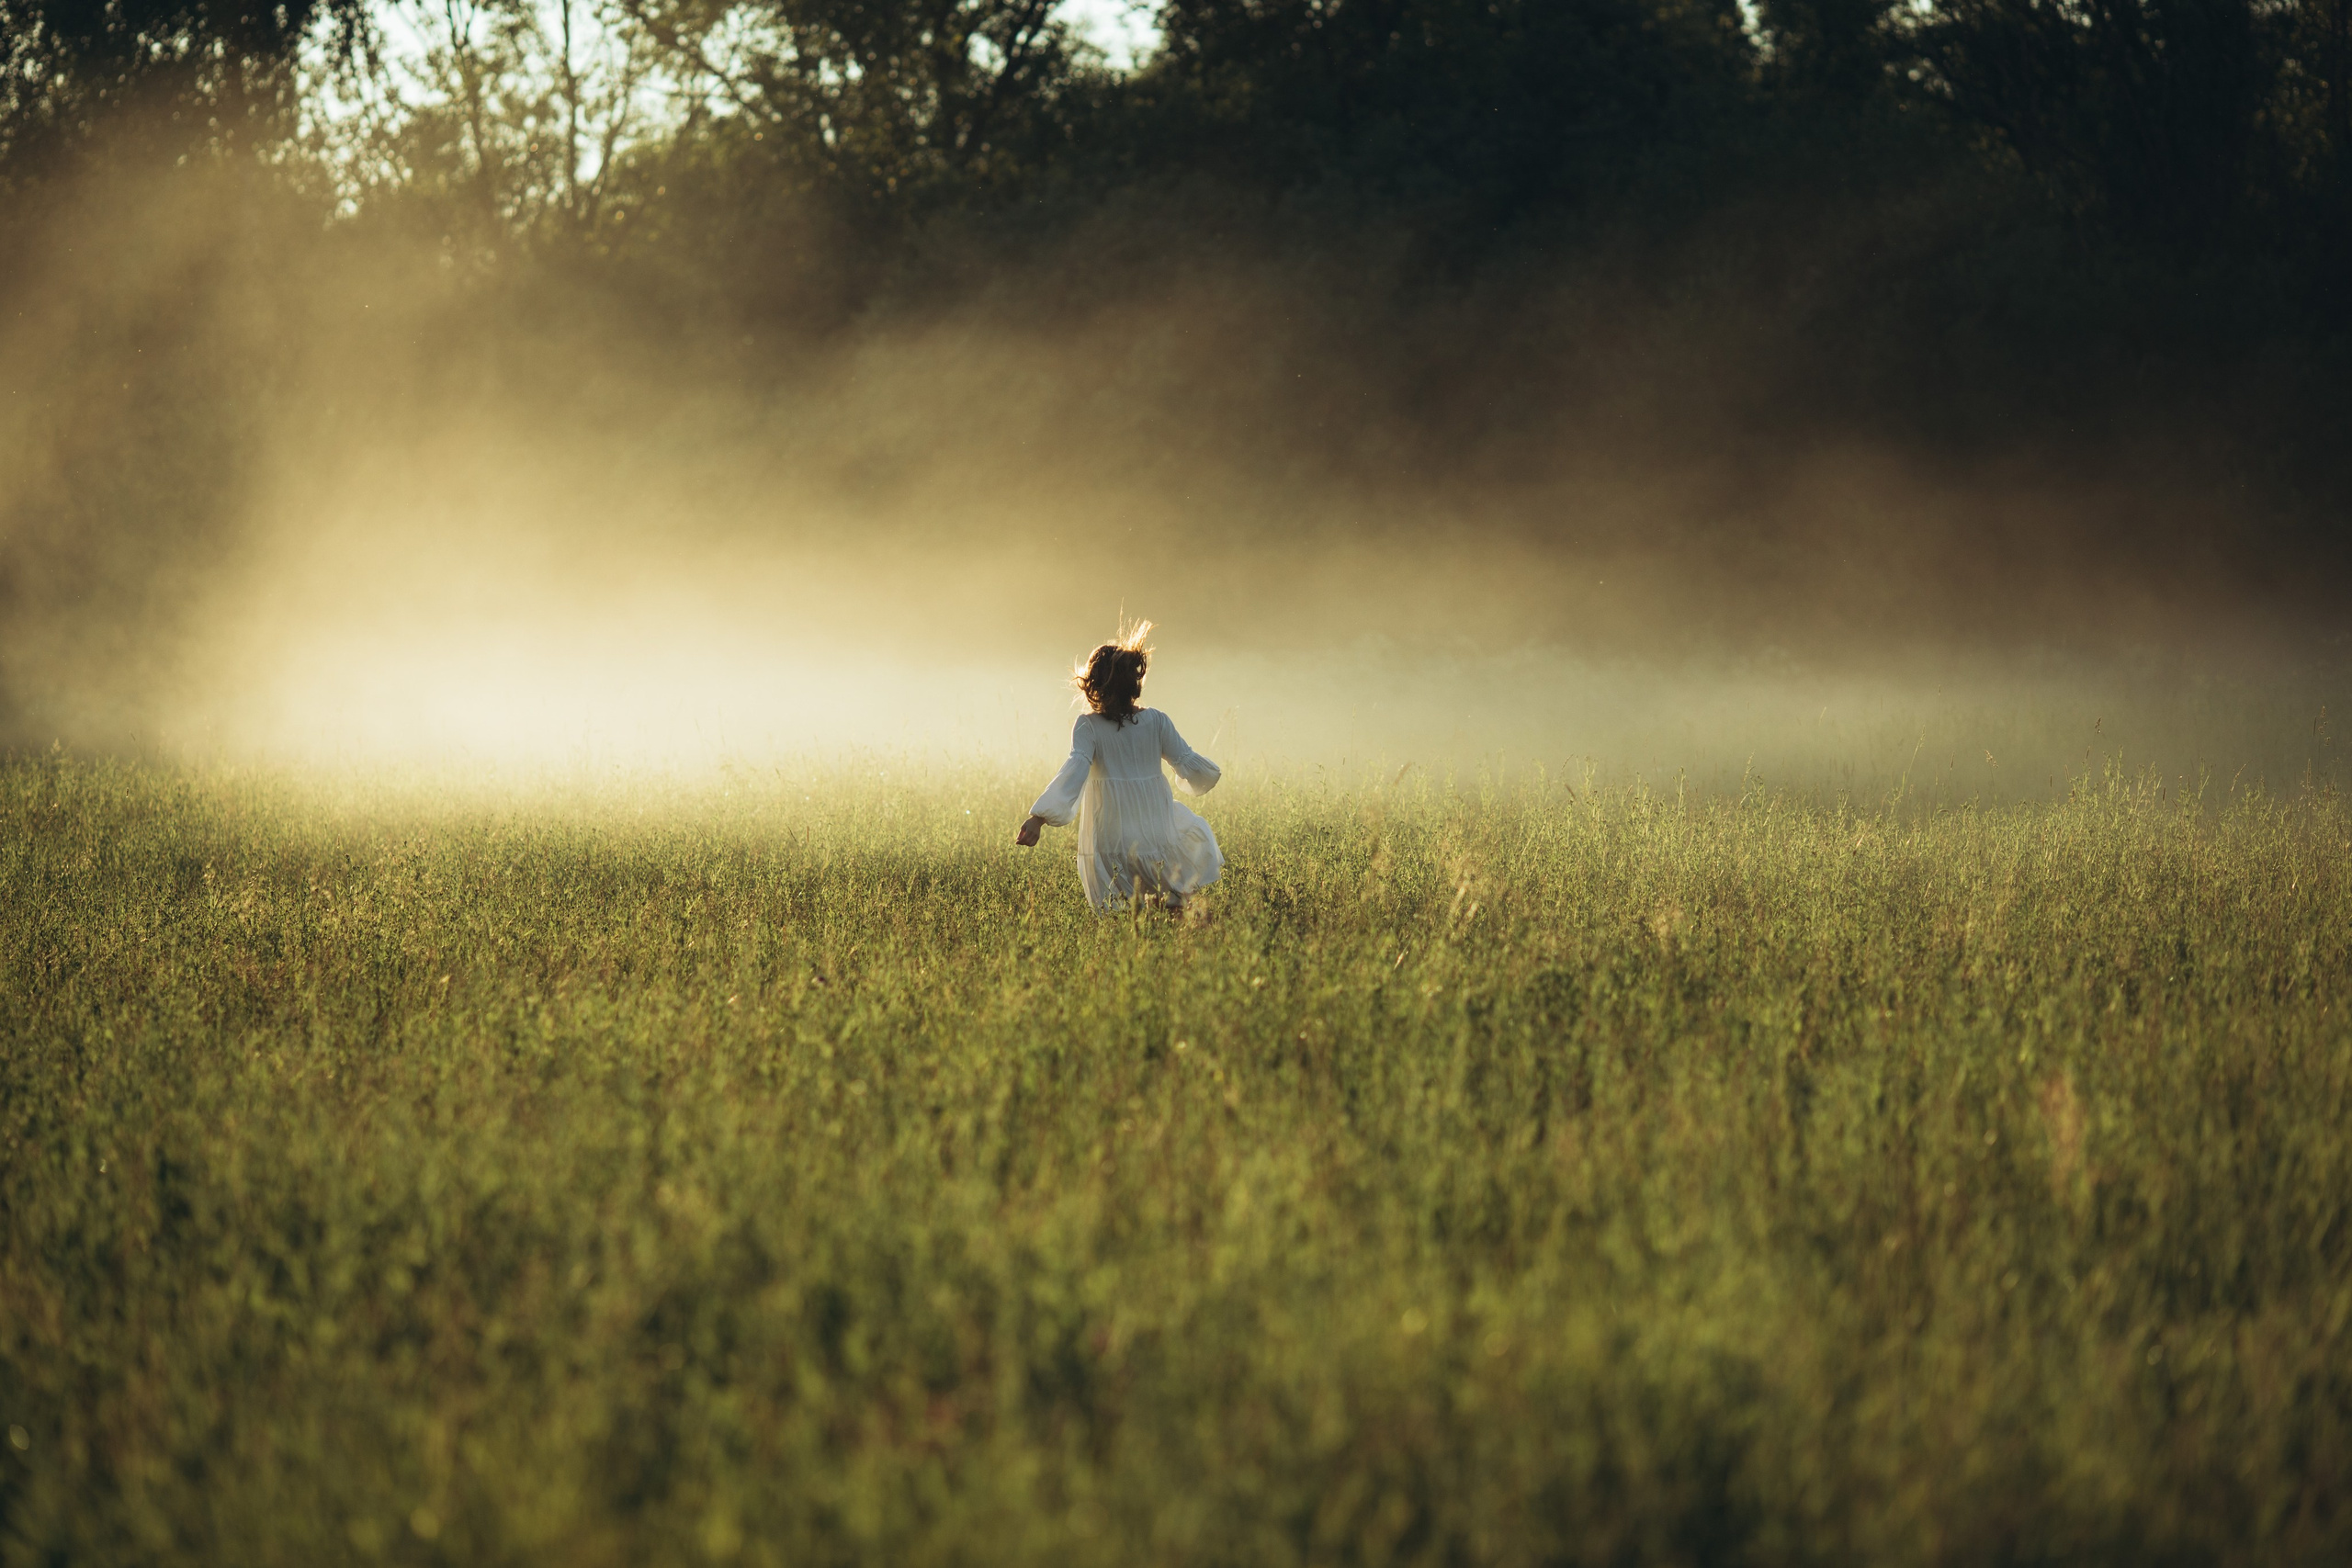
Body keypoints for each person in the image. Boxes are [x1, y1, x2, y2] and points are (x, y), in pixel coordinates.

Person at [1015, 623, 1223, 912]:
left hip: (1109, 832)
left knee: (1122, 904)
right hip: (1154, 827)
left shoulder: (1088, 726)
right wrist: (1206, 775)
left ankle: (1137, 941)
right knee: (1175, 878)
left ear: (1093, 686)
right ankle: (1175, 919)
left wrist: (1039, 819)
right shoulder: (1156, 721)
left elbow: (1075, 770)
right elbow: (1185, 761)